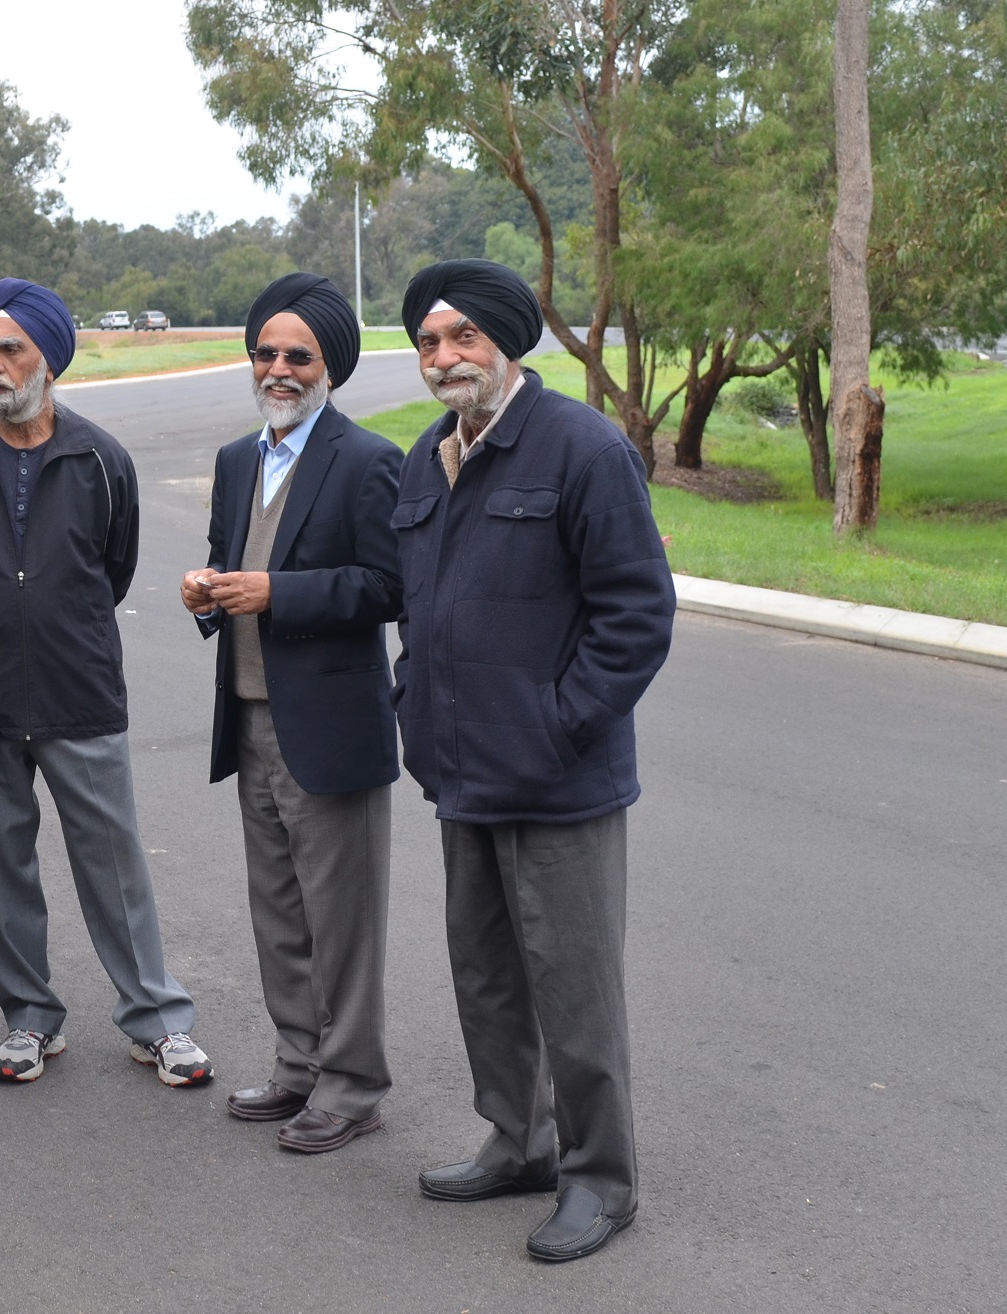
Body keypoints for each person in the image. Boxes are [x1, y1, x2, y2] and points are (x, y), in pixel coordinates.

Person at [390, 260, 675, 1260]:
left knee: (575, 990)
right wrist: (411, 708)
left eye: (463, 336)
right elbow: (421, 612)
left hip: (560, 783)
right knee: (488, 979)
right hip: (461, 777)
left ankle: (602, 1179)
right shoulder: (430, 458)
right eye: (430, 342)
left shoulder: (584, 451)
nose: (444, 357)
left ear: (507, 342)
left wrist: (561, 726)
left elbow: (637, 616)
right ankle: (520, 1141)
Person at [0, 278, 212, 1089]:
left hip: (77, 691)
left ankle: (156, 1021)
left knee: (114, 862)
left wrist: (47, 622)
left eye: (10, 348)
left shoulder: (101, 459)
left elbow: (110, 573)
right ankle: (28, 1019)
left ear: (51, 360)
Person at [179, 273, 402, 1154]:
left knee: (341, 918)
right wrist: (204, 593)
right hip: (250, 716)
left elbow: (389, 587)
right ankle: (298, 1066)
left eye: (297, 355)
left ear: (330, 367)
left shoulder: (368, 461)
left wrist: (279, 591)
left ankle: (353, 1088)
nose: (277, 368)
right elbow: (223, 563)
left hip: (330, 728)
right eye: (265, 353)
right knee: (278, 907)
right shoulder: (239, 460)